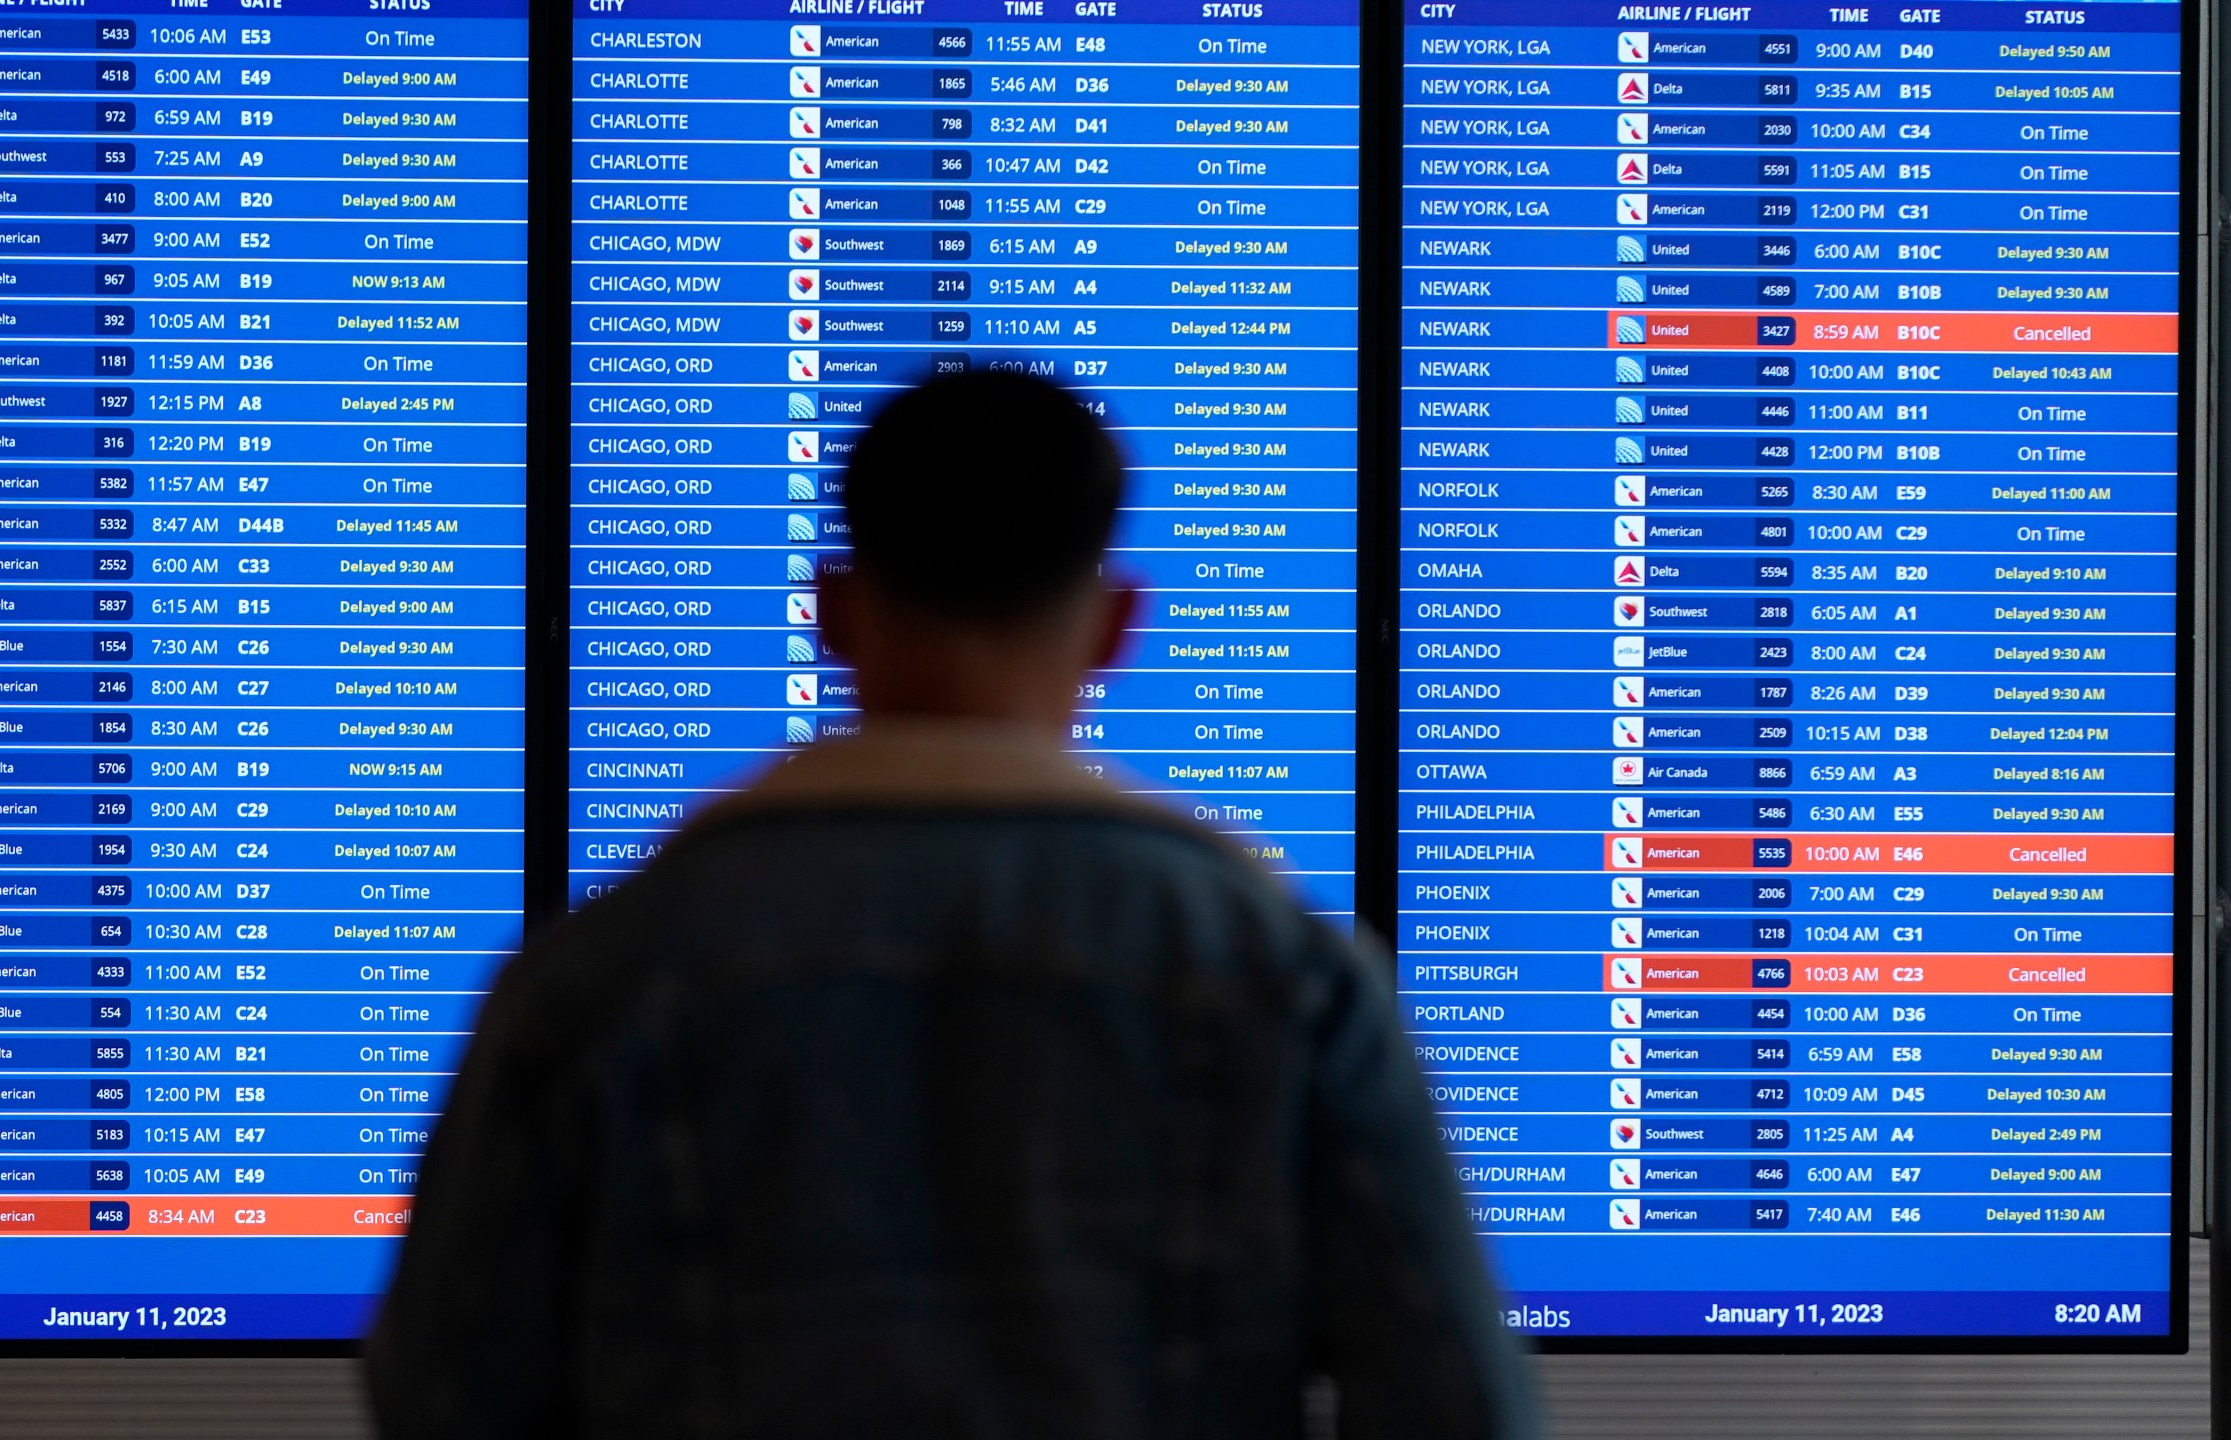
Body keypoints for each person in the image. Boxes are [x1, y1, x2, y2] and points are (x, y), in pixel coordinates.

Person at [366, 370, 1539, 1439]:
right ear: (1117, 626)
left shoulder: (597, 977)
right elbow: (1457, 1401)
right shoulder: (1278, 973)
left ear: (831, 609)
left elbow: (440, 1393)